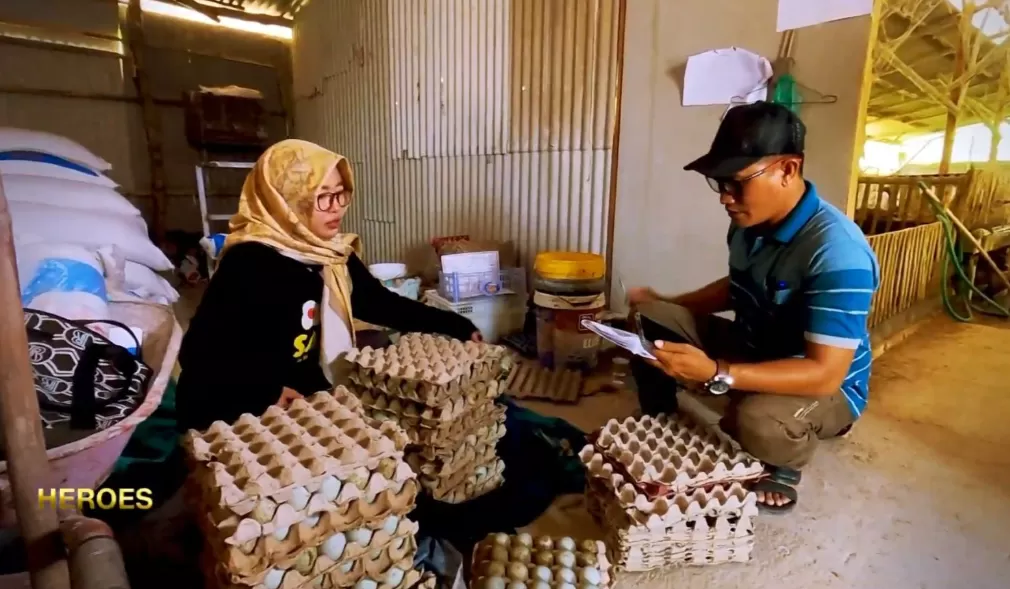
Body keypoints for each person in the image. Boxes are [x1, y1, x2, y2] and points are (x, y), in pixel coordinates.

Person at [625, 102, 880, 514]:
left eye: (737, 183)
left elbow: (824, 372)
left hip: (824, 383)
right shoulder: (748, 222)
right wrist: (668, 303)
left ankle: (785, 461)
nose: (725, 198)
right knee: (647, 318)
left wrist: (717, 373)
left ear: (787, 170)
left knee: (756, 420)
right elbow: (738, 287)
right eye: (719, 183)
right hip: (757, 347)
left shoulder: (837, 253)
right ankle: (661, 414)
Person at [176, 139, 480, 432]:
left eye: (340, 194)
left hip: (299, 380)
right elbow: (198, 355)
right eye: (322, 197)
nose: (337, 208)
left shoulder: (330, 254)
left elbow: (378, 302)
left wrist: (455, 324)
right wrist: (264, 392)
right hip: (235, 398)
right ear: (287, 201)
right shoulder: (250, 262)